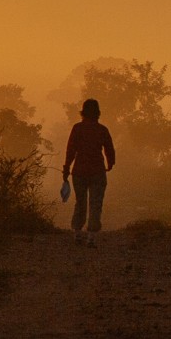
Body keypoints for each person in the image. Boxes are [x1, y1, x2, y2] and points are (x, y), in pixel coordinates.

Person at [61, 98, 116, 248]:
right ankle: (91, 237)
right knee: (95, 203)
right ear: (98, 113)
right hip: (97, 171)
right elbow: (109, 150)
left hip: (79, 172)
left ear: (83, 112)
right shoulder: (102, 130)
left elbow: (70, 150)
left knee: (80, 202)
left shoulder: (77, 128)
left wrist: (66, 168)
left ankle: (77, 233)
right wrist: (110, 163)